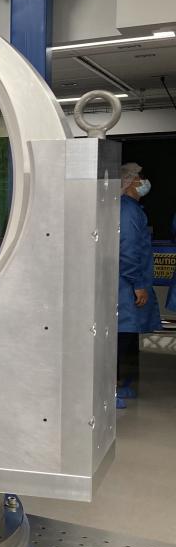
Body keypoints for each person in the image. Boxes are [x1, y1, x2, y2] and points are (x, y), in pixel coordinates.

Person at [115, 162, 161, 407]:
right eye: (141, 177)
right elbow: (128, 250)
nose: (144, 182)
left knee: (127, 335)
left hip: (127, 283)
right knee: (121, 336)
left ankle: (122, 385)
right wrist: (138, 284)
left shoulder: (131, 208)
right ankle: (114, 388)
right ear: (131, 181)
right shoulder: (127, 210)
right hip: (125, 285)